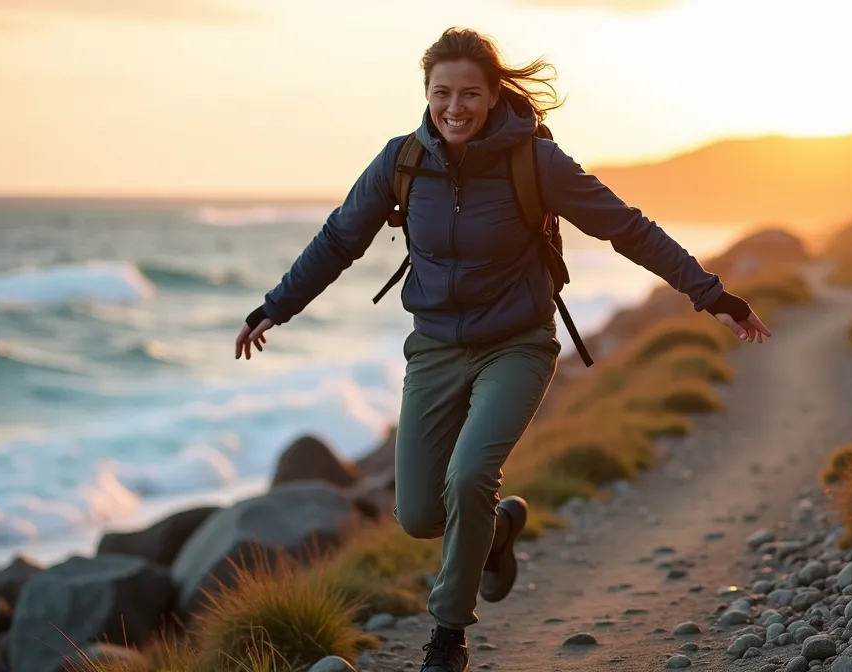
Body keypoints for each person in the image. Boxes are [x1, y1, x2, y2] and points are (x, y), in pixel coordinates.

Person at [234, 26, 772, 672]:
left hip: (517, 346)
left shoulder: (535, 162)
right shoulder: (401, 162)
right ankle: (499, 532)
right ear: (426, 95)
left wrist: (712, 295)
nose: (454, 108)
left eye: (468, 94)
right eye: (441, 94)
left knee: (469, 477)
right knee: (417, 513)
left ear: (493, 96)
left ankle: (447, 636)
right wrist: (275, 305)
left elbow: (625, 227)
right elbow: (338, 238)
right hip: (433, 348)